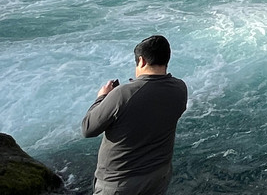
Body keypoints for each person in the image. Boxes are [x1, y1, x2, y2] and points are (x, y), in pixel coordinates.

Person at [81, 35, 189, 195]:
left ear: (142, 61)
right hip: (158, 176)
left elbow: (88, 129)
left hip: (120, 183)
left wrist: (102, 97)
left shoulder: (122, 94)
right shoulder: (180, 88)